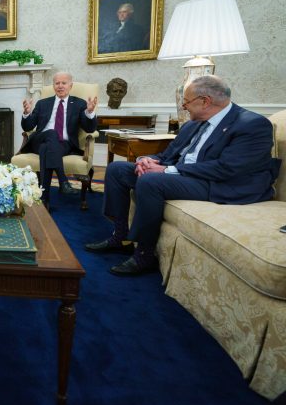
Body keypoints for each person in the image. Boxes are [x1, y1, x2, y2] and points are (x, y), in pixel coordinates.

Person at [86, 76, 281, 276]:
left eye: (186, 102)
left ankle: (144, 254)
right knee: (117, 169)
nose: (184, 107)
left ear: (205, 101)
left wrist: (167, 170)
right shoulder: (193, 124)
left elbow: (227, 168)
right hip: (185, 176)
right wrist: (148, 159)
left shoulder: (252, 124)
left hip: (220, 183)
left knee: (151, 180)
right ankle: (120, 237)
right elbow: (168, 155)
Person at [19, 72, 98, 209]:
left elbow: (89, 128)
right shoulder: (43, 103)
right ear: (53, 86)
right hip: (39, 140)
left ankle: (44, 199)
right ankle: (63, 181)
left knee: (46, 149)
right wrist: (26, 113)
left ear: (70, 85)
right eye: (57, 83)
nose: (60, 86)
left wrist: (90, 113)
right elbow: (28, 126)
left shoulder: (79, 104)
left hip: (64, 144)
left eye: (64, 83)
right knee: (51, 133)